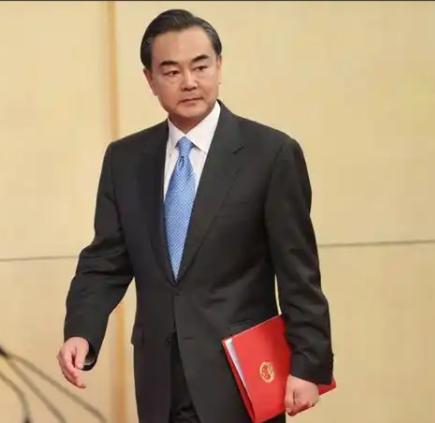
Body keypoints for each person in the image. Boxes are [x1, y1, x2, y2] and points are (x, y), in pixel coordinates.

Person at [57, 9, 334, 423]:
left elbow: (298, 271)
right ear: (150, 79)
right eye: (171, 71)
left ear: (219, 66)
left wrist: (308, 364)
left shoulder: (270, 154)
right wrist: (82, 329)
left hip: (240, 380)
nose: (188, 81)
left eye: (200, 66)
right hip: (160, 379)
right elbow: (106, 260)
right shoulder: (125, 159)